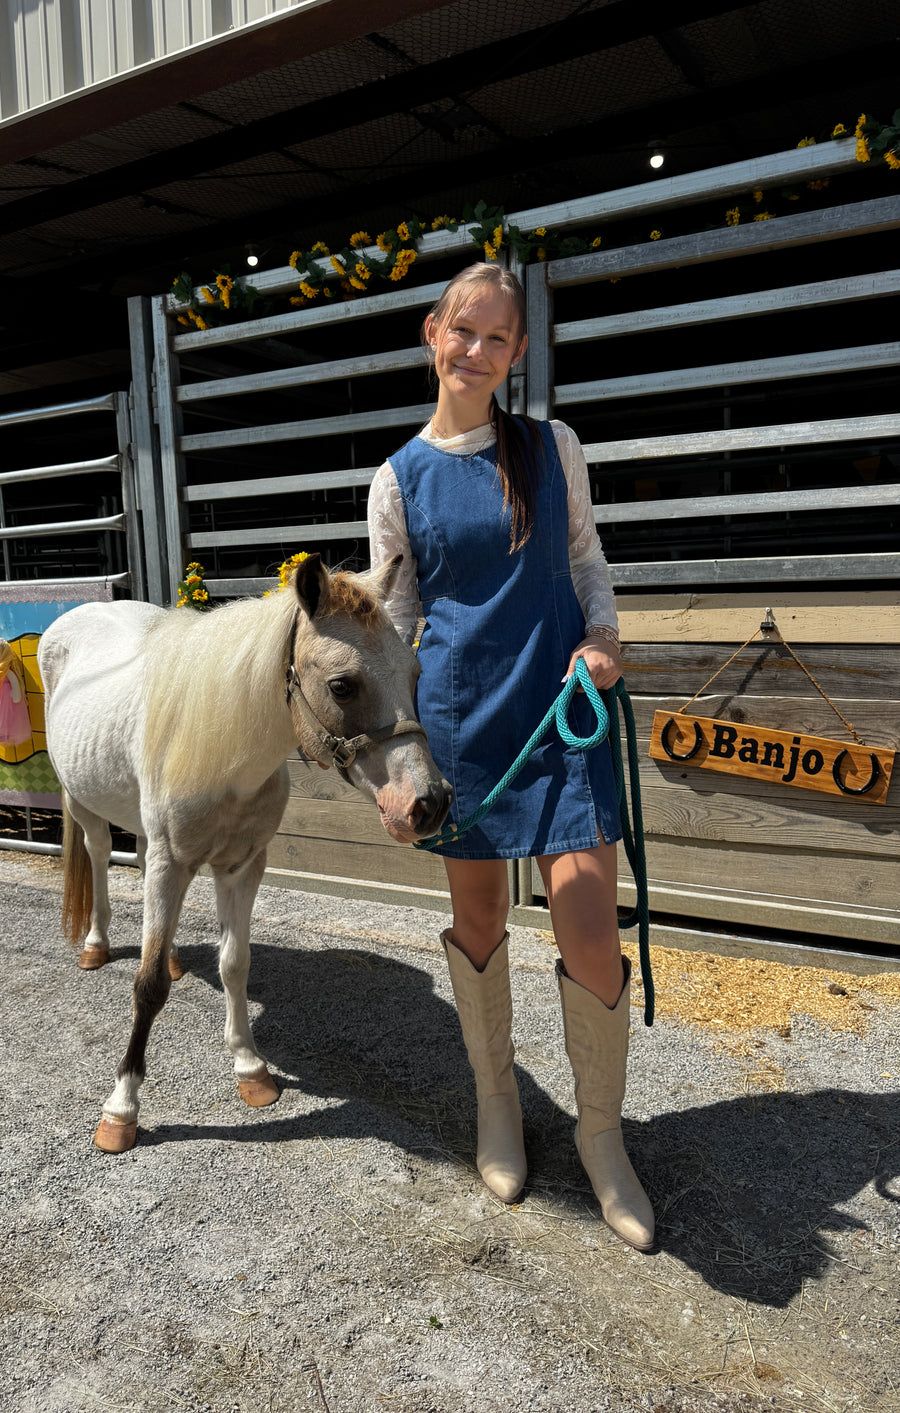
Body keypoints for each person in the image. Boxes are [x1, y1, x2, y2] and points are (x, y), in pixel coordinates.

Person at [367, 262, 653, 1251]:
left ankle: (602, 1136)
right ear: (431, 334)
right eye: (464, 331)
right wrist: (396, 765)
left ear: (518, 353)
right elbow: (395, 624)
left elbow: (583, 560)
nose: (478, 352)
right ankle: (497, 1103)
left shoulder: (551, 446)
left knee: (584, 929)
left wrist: (604, 640)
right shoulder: (395, 479)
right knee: (478, 921)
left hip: (562, 715)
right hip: (460, 726)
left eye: (498, 339)